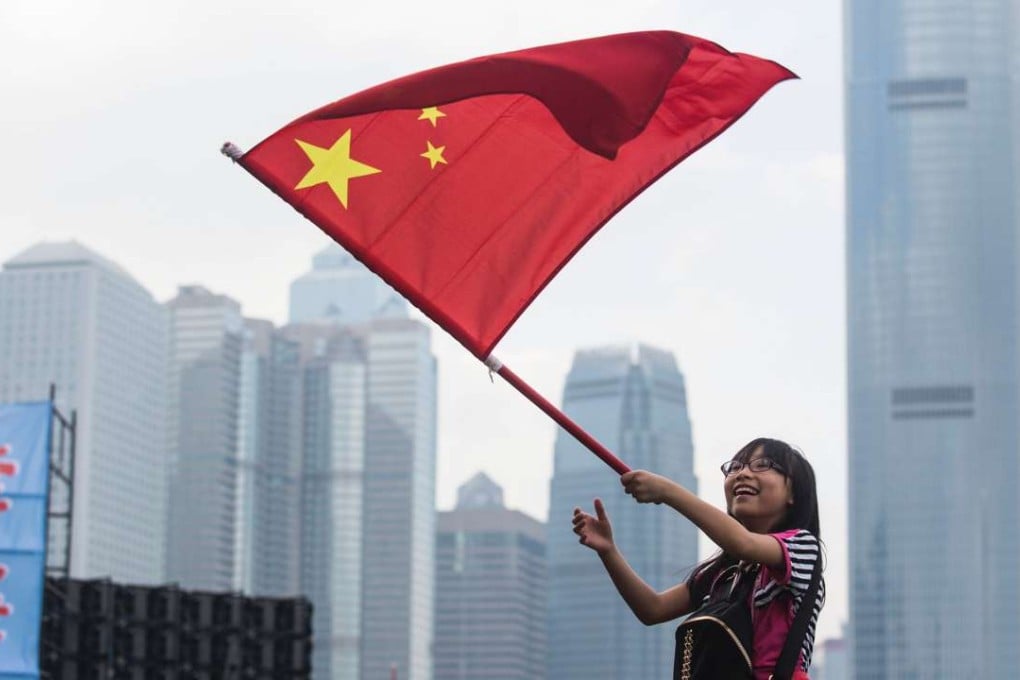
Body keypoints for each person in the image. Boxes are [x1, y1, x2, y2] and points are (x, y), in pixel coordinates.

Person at [572, 437, 824, 680]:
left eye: (763, 465)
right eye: (736, 467)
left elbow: (742, 543)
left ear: (793, 493)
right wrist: (608, 551)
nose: (743, 473)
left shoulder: (802, 548)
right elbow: (653, 608)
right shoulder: (726, 573)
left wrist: (667, 491)